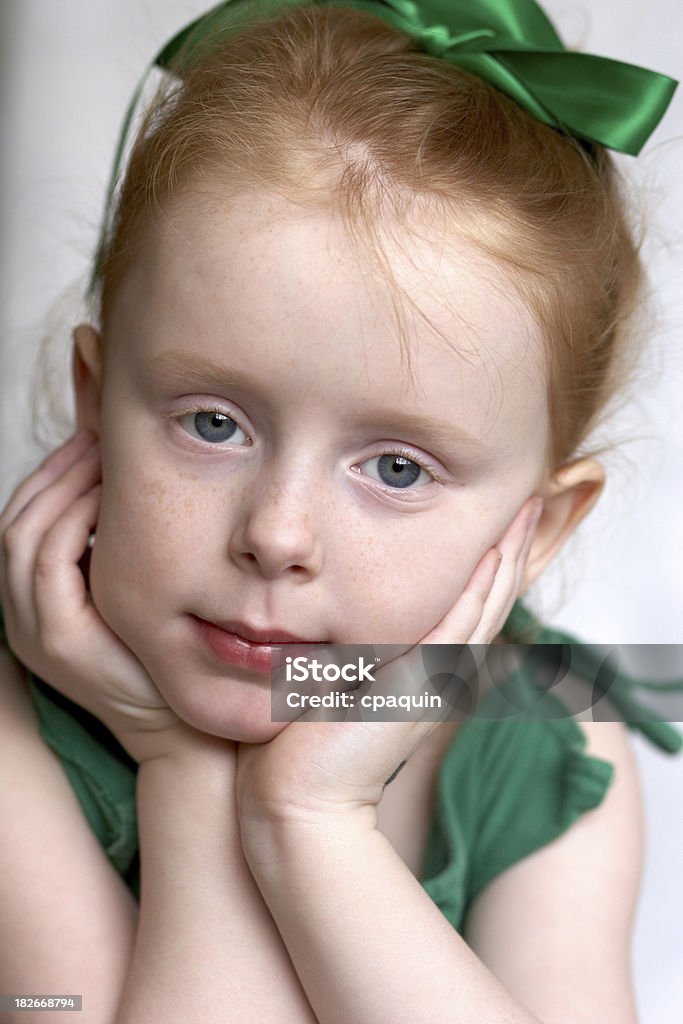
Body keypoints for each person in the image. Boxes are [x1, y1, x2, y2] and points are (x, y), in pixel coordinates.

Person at [0, 1, 681, 1021]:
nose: (275, 534)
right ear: (96, 398)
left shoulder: (547, 744)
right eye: (213, 422)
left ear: (532, 528)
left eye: (397, 469)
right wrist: (186, 774)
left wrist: (311, 818)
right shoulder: (14, 739)